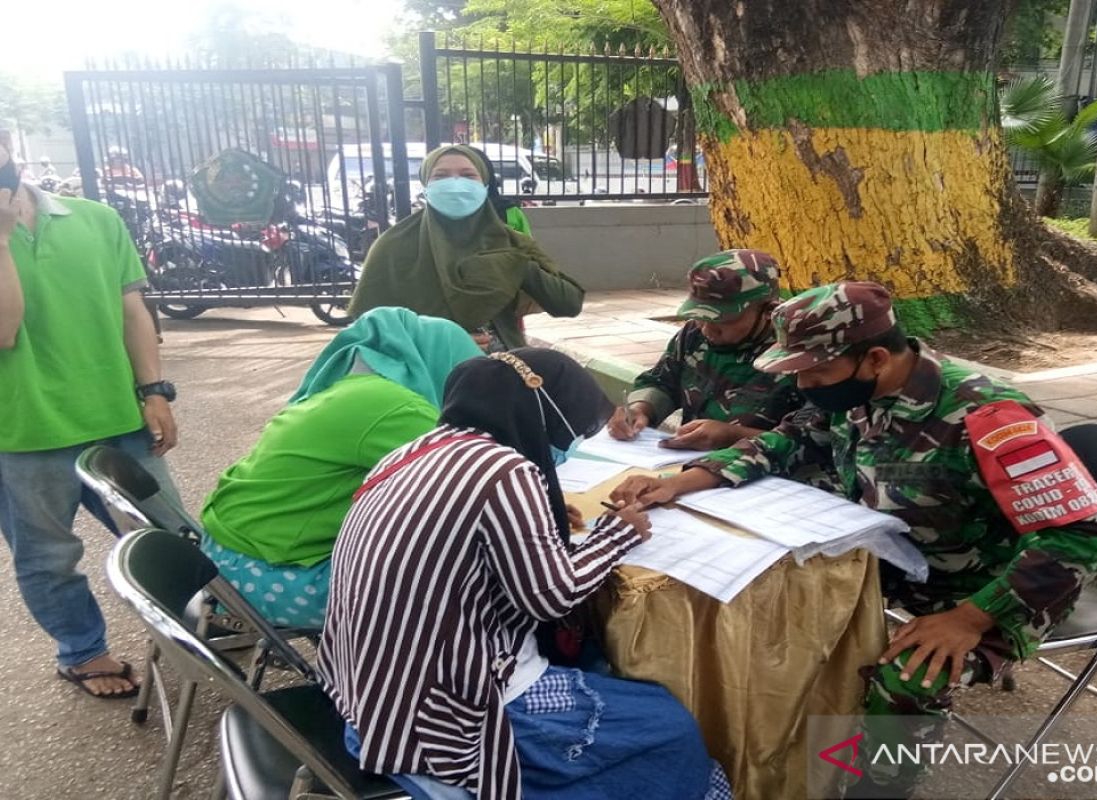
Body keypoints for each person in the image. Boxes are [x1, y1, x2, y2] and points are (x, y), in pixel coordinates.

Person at [610, 282, 1097, 798]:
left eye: (815, 372)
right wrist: (680, 481)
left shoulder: (988, 416)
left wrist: (971, 618)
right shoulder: (851, 390)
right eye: (797, 371)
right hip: (893, 556)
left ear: (875, 357)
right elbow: (786, 442)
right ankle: (778, 753)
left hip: (991, 588)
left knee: (906, 677)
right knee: (773, 598)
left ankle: (880, 788)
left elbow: (1083, 533)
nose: (805, 385)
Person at [318, 348, 731, 800]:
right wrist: (617, 533)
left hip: (368, 698)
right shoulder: (503, 469)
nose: (569, 436)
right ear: (539, 406)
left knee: (596, 667)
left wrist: (542, 514)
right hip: (445, 717)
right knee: (669, 728)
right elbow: (552, 597)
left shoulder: (414, 452)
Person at [0, 132, 180, 700]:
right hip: (23, 431)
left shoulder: (96, 218)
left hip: (117, 418)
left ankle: (209, 621)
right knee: (50, 557)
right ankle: (82, 651)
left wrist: (154, 390)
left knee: (173, 533)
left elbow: (132, 309)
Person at [199, 308, 482, 628]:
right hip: (270, 575)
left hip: (225, 556)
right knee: (460, 576)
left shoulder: (348, 387)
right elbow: (474, 475)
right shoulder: (397, 407)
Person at [349, 144, 584, 351]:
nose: (455, 183)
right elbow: (367, 330)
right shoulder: (392, 246)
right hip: (425, 376)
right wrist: (438, 341)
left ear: (484, 185)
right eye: (440, 176)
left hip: (504, 370)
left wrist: (514, 264)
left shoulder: (510, 243)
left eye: (468, 175)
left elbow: (568, 303)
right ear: (425, 186)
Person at [607, 249, 805, 451]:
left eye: (723, 320)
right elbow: (663, 382)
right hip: (690, 464)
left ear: (767, 311)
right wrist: (640, 410)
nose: (707, 329)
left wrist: (734, 436)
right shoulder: (694, 334)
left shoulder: (800, 354)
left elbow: (817, 441)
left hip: (768, 474)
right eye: (701, 316)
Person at [468, 144, 534, 235]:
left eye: (468, 175)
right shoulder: (441, 215)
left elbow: (528, 246)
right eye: (443, 175)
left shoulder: (509, 212)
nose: (457, 181)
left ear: (487, 176)